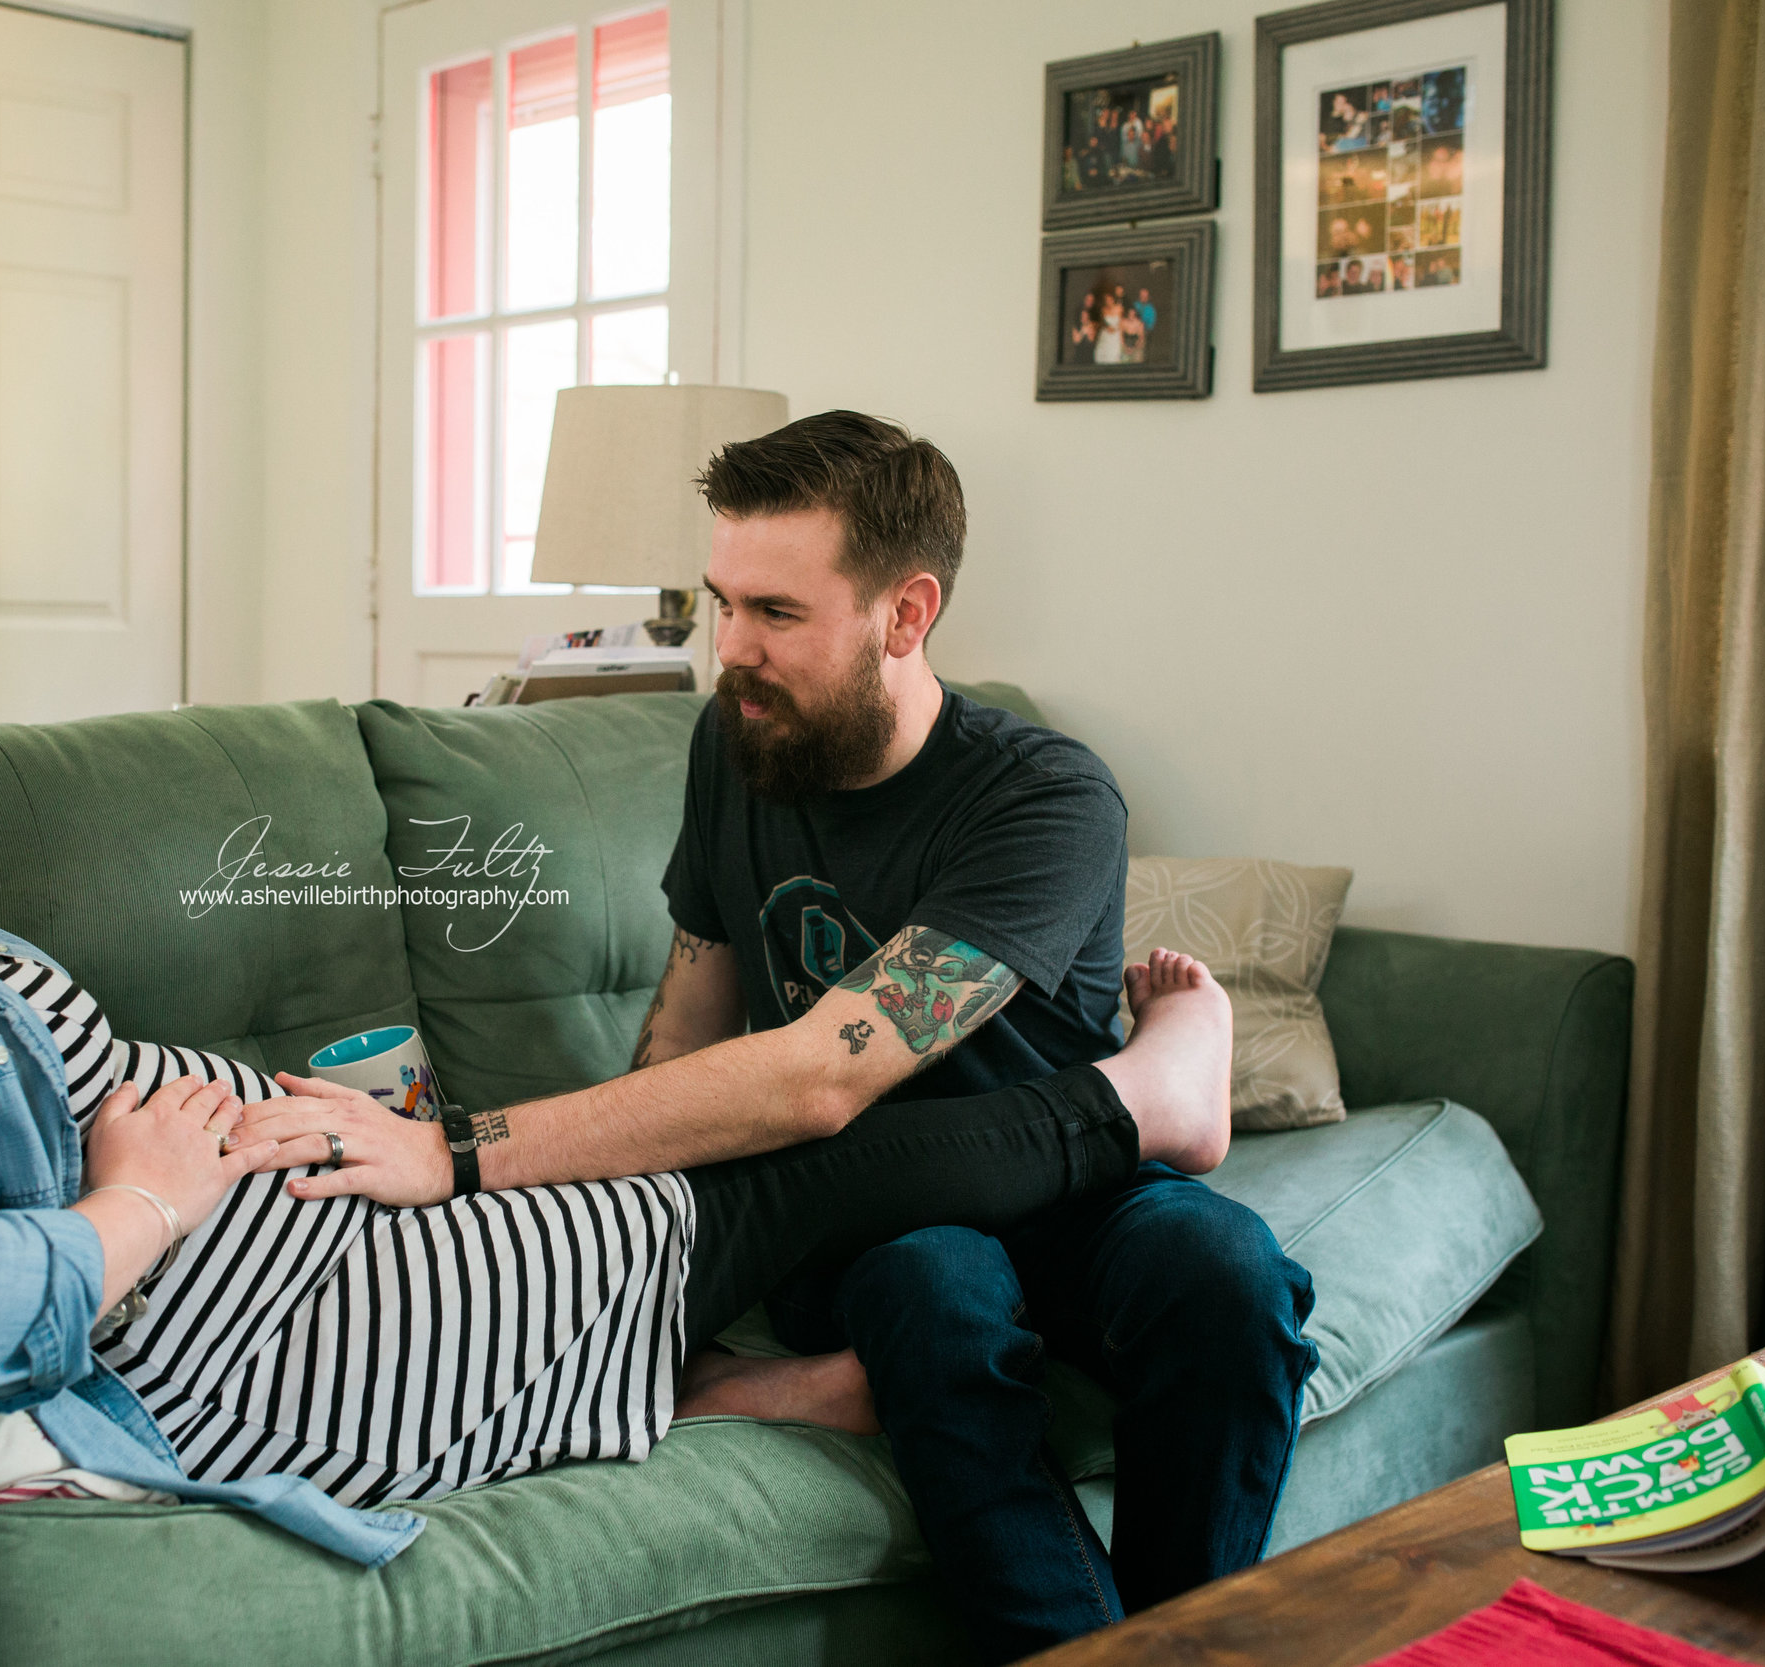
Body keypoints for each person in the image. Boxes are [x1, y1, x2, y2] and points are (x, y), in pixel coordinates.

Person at [0, 549, 1241, 1574]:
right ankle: (1148, 1096)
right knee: (819, 1154)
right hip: (305, 1324)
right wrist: (152, 1195)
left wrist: (307, 1108)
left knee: (867, 1204)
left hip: (348, 1241)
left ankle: (710, 1380)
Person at [244, 414, 1319, 1661]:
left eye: (775, 612)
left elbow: (822, 1071)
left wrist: (460, 1146)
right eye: (722, 604)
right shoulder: (738, 736)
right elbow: (690, 1017)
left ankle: (1191, 1637)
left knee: (1229, 1276)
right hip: (860, 1222)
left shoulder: (1045, 795)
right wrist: (629, 1270)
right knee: (938, 1293)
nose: (732, 651)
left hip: (1067, 1183)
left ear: (904, 613)